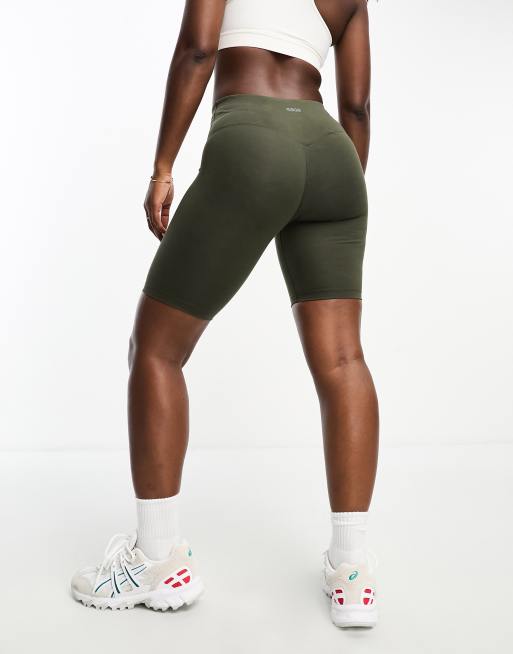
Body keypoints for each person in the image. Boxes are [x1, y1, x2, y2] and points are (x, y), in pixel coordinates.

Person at [71, 0, 379, 628]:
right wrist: (332, 188)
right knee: (344, 361)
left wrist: (163, 166)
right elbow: (357, 107)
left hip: (252, 140)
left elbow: (197, 49)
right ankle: (352, 572)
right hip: (333, 157)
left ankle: (157, 558)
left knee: (156, 349)